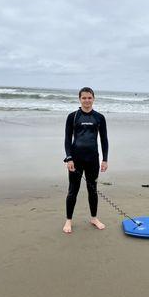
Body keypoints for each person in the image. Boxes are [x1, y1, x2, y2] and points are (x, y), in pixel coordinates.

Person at [63, 87, 109, 233]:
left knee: (93, 190)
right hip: (76, 160)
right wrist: (69, 158)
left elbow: (104, 140)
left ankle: (94, 218)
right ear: (79, 99)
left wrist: (105, 159)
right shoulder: (73, 117)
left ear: (93, 99)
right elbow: (67, 139)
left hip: (93, 160)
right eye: (84, 98)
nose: (87, 100)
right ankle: (68, 221)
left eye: (89, 98)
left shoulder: (99, 117)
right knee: (73, 191)